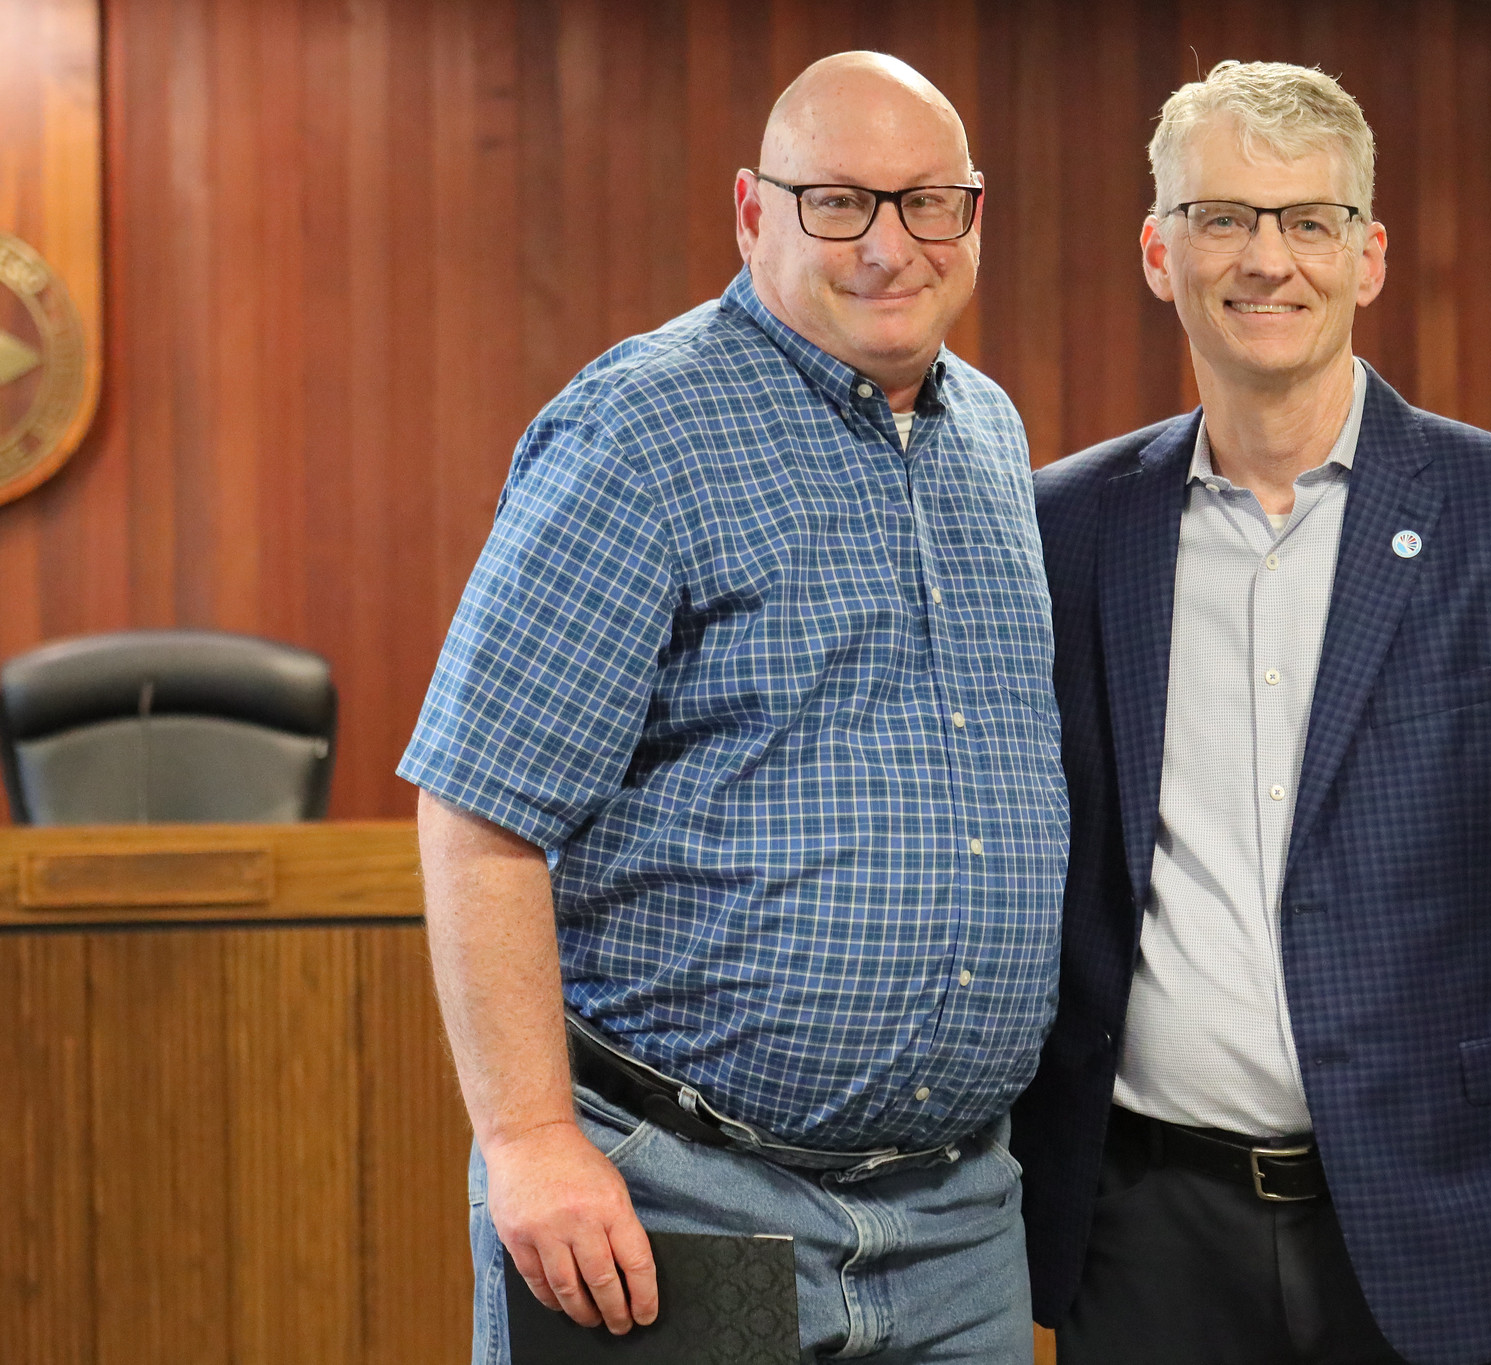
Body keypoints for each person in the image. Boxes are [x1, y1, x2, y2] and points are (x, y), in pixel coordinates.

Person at [1009, 61, 1491, 1365]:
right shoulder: (1068, 530)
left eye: (1307, 221)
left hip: (1455, 1219)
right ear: (1160, 253)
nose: (1267, 259)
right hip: (1148, 1234)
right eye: (1223, 219)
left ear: (1368, 257)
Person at [401, 51, 1066, 1365]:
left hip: (957, 1220)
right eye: (838, 202)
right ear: (752, 212)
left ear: (974, 221)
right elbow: (478, 810)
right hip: (674, 1201)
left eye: (928, 201)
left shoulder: (991, 434)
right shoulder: (639, 433)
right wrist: (532, 1142)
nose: (888, 245)